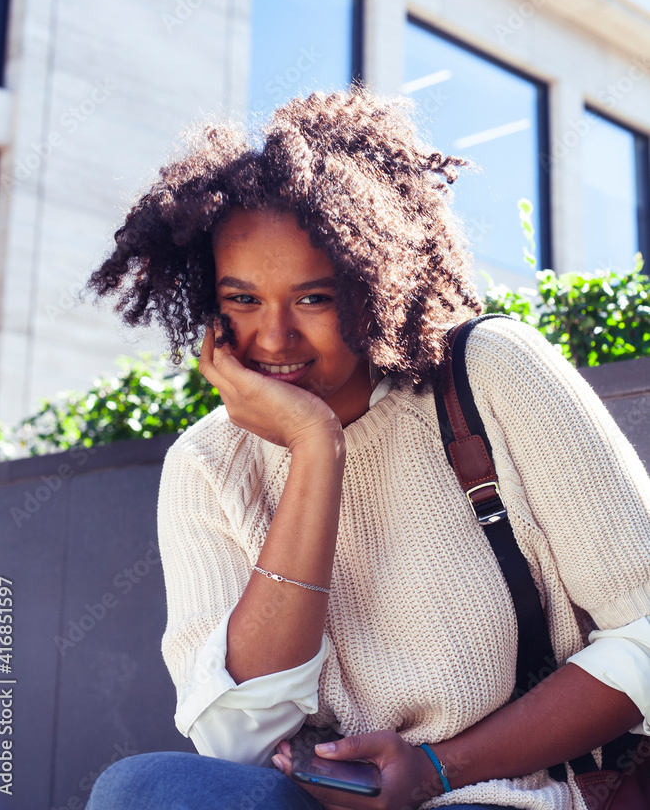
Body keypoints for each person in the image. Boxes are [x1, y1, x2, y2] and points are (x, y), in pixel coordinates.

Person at [85, 87, 650, 810]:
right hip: (330, 804)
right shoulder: (206, 463)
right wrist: (314, 448)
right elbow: (236, 740)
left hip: (515, 794)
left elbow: (642, 634)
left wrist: (439, 769)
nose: (274, 338)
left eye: (314, 298)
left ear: (374, 284)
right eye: (243, 300)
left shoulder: (488, 373)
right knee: (141, 789)